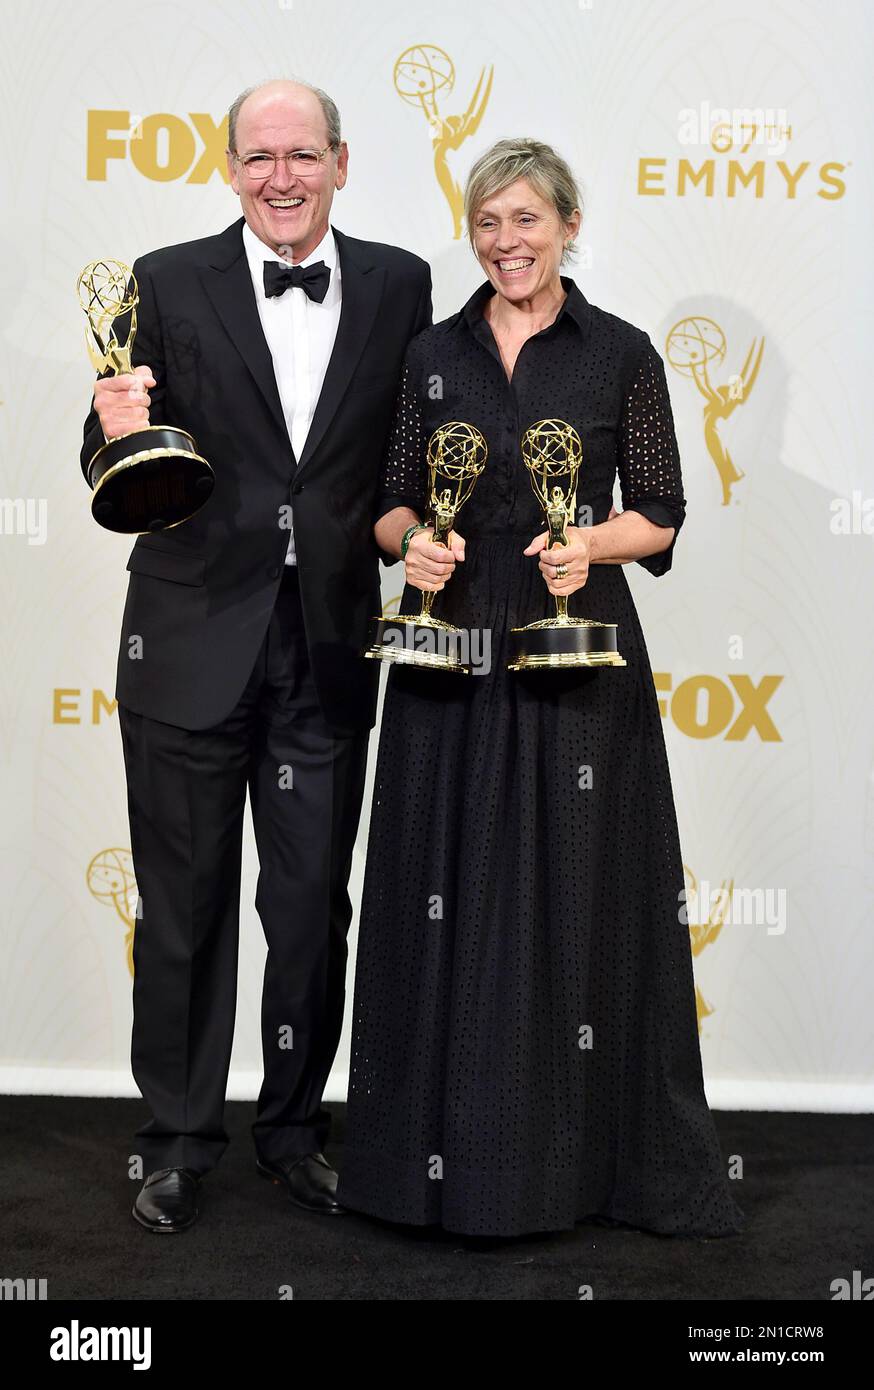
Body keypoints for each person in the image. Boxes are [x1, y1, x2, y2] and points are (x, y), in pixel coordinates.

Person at [337, 138, 745, 1239]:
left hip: (577, 653)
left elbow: (659, 513)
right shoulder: (429, 351)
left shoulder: (619, 354)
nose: (506, 242)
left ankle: (576, 1169)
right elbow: (386, 499)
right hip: (450, 654)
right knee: (439, 886)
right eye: (487, 223)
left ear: (567, 223)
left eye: (525, 220)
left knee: (576, 898)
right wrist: (414, 540)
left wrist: (590, 545)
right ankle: (423, 1167)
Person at [79, 78, 432, 1232]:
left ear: (341, 159)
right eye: (257, 157)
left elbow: (402, 459)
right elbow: (115, 450)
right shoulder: (164, 279)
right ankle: (177, 1139)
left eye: (301, 154)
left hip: (327, 641)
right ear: (229, 169)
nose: (280, 177)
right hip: (189, 637)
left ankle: (291, 1128)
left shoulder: (398, 283)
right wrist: (111, 426)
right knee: (183, 907)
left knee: (309, 906)